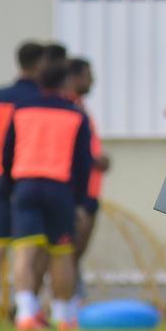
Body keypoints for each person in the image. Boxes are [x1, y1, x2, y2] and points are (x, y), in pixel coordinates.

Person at [0, 61, 93, 331]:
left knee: (25, 251)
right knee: (62, 252)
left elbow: (7, 151)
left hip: (26, 183)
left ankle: (25, 313)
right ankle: (63, 317)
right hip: (59, 188)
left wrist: (11, 184)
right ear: (65, 82)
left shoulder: (21, 109)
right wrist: (79, 200)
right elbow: (83, 162)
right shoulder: (75, 114)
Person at [0, 40, 45, 328]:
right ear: (39, 64)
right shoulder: (38, 97)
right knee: (29, 248)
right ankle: (26, 307)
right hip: (29, 175)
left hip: (1, 177)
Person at [66, 58, 110, 297]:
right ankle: (62, 306)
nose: (93, 81)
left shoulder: (81, 106)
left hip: (91, 190)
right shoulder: (67, 108)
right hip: (77, 193)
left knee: (75, 255)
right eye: (88, 75)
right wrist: (93, 160)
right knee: (67, 254)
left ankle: (70, 304)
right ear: (74, 77)